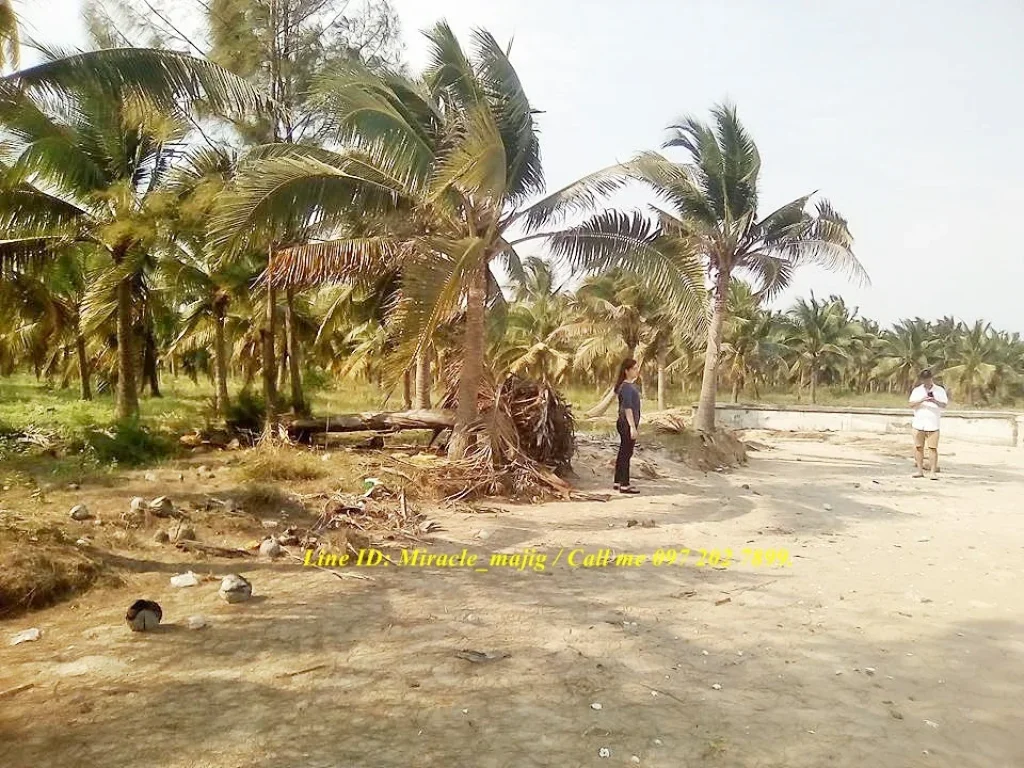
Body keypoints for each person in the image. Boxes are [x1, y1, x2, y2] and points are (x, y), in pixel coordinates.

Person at [908, 369, 948, 479]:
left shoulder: (939, 390)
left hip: (933, 423)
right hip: (919, 423)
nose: (927, 381)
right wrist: (922, 400)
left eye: (928, 379)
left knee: (932, 448)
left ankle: (933, 472)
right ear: (922, 379)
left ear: (931, 378)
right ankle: (919, 470)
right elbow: (911, 404)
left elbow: (944, 405)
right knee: (918, 447)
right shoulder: (917, 391)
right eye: (925, 379)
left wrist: (934, 400)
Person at [613, 358, 641, 494]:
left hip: (623, 422)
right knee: (626, 453)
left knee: (623, 452)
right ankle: (624, 484)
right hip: (626, 423)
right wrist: (632, 427)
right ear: (627, 371)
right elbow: (628, 408)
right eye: (634, 368)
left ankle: (618, 481)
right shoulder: (627, 387)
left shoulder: (625, 386)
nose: (637, 371)